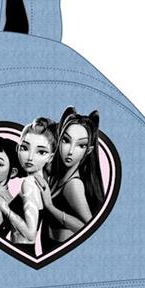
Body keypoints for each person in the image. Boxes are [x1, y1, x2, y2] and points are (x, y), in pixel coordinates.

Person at [36, 107, 106, 253]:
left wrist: (50, 207)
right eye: (66, 141)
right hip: (49, 247)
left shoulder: (73, 185)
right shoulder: (55, 177)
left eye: (81, 145)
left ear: (88, 150)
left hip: (64, 252)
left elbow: (90, 228)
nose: (71, 151)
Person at [0, 118, 57, 256]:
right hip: (25, 251)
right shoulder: (43, 182)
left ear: (50, 157)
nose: (30, 157)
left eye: (41, 152)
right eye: (25, 148)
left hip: (22, 250)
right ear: (18, 148)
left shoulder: (29, 183)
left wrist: (5, 208)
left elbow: (30, 234)